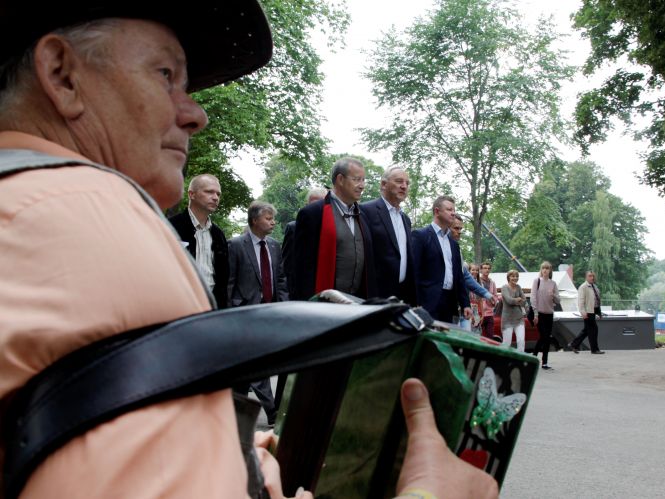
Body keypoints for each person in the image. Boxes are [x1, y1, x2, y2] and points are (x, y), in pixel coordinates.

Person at [0, 4, 499, 498]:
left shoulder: (30, 207)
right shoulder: (88, 215)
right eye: (165, 75)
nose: (195, 114)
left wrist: (235, 454)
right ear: (62, 75)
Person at [227, 200, 289, 425]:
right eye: (268, 218)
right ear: (254, 220)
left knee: (247, 364)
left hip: (270, 312)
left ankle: (236, 415)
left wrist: (284, 306)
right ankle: (272, 412)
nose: (273, 222)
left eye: (273, 218)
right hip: (245, 312)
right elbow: (229, 280)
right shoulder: (236, 245)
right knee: (257, 362)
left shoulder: (274, 245)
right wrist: (231, 311)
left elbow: (280, 279)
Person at [292, 157, 377, 301]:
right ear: (340, 179)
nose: (362, 186)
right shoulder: (312, 214)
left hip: (357, 303)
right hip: (324, 302)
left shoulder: (363, 216)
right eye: (357, 179)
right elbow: (302, 269)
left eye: (363, 180)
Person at [169, 173, 229, 308]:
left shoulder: (218, 234)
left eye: (218, 194)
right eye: (209, 192)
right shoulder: (171, 227)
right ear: (192, 194)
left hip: (212, 307)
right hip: (178, 305)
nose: (215, 197)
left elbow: (223, 278)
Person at [360, 165, 416, 304]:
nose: (404, 186)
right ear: (384, 184)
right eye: (399, 181)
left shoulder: (405, 219)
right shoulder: (366, 211)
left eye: (407, 183)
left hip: (401, 295)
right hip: (375, 296)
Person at [412, 196, 471, 323]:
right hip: (427, 303)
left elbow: (459, 276)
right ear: (437, 211)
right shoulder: (420, 236)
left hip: (449, 304)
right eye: (449, 209)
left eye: (454, 210)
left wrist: (465, 303)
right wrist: (415, 302)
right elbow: (414, 272)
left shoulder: (453, 244)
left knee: (447, 335)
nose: (453, 213)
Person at [449, 216, 496, 332]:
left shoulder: (457, 250)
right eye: (456, 228)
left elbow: (466, 277)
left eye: (461, 229)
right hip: (444, 308)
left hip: (462, 309)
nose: (460, 232)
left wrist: (487, 294)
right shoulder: (436, 245)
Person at [280, 187, 326, 298]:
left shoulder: (334, 228)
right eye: (313, 205)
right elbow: (288, 265)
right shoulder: (293, 228)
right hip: (302, 292)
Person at [531, 261, 560, 370]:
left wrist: (553, 295)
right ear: (541, 270)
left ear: (550, 270)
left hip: (549, 314)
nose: (545, 270)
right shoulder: (537, 281)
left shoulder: (553, 283)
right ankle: (534, 357)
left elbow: (558, 300)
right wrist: (535, 313)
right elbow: (533, 297)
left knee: (546, 338)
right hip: (539, 313)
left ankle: (544, 362)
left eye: (547, 268)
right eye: (543, 268)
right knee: (544, 336)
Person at [569, 271, 605, 354]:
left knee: (587, 330)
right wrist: (582, 312)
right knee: (593, 330)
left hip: (593, 311)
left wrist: (599, 313)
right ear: (586, 277)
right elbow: (580, 301)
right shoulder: (583, 287)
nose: (592, 277)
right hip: (587, 312)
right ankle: (594, 349)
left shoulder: (594, 287)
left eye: (593, 276)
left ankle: (573, 344)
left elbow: (596, 301)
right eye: (590, 276)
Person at [500, 269, 527, 352]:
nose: (515, 278)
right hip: (507, 319)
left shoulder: (518, 287)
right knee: (507, 343)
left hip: (519, 319)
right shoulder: (504, 287)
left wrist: (517, 301)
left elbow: (524, 301)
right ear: (508, 277)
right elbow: (509, 301)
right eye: (513, 276)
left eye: (516, 276)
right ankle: (504, 359)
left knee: (521, 341)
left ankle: (520, 358)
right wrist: (518, 299)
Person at [478, 262, 498, 339]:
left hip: (489, 313)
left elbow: (495, 295)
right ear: (481, 270)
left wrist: (493, 302)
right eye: (485, 268)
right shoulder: (477, 281)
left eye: (489, 268)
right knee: (479, 336)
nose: (487, 270)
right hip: (479, 313)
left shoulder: (492, 282)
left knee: (490, 336)